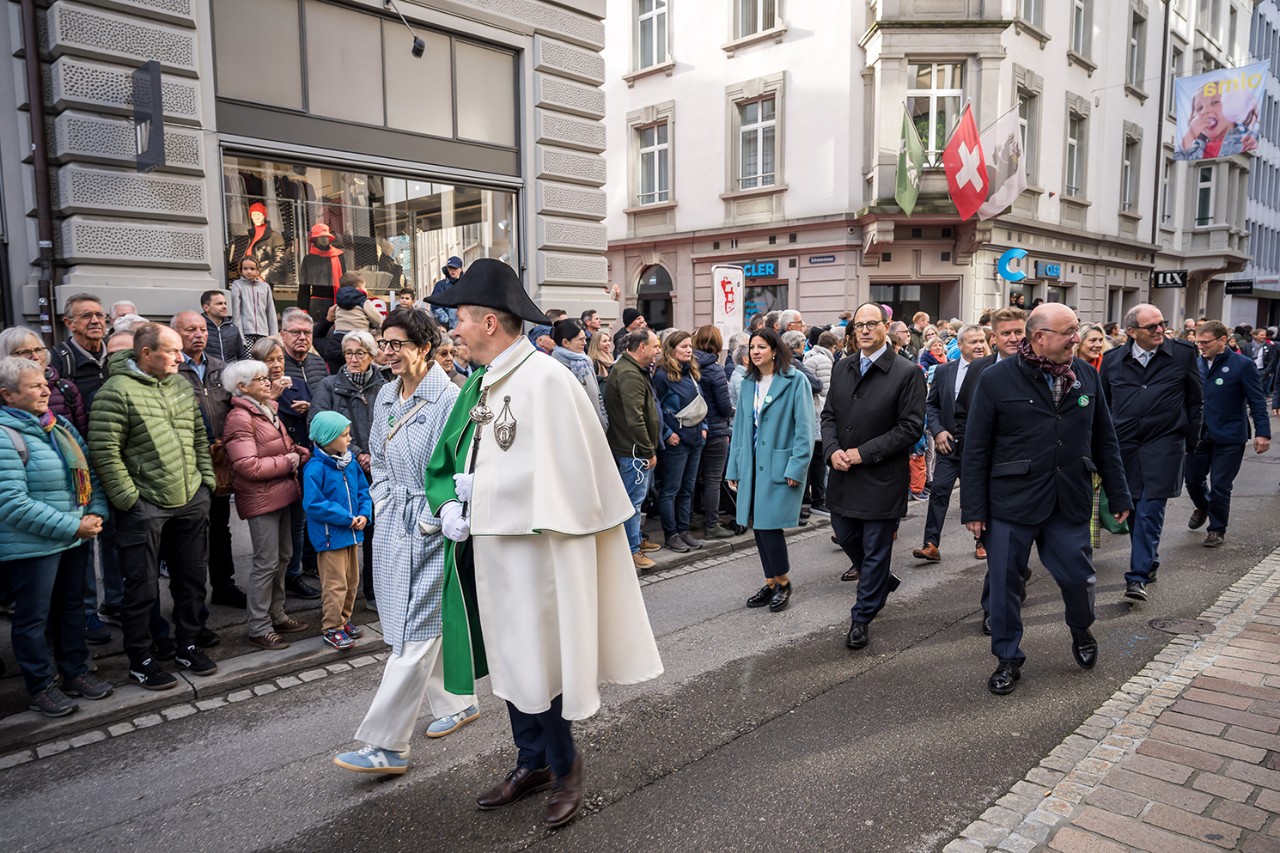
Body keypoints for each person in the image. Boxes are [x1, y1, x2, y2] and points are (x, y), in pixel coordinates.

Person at [423, 259, 662, 828]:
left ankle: (564, 766)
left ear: (489, 323)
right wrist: (452, 502)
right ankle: (530, 762)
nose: (452, 329)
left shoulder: (548, 379)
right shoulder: (482, 381)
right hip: (491, 550)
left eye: (459, 318)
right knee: (511, 658)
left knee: (542, 662)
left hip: (536, 553)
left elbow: (571, 476)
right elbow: (460, 458)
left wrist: (482, 494)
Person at [333, 307, 480, 776]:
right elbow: (375, 454)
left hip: (432, 524)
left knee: (416, 627)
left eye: (397, 344)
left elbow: (457, 469)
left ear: (423, 347)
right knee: (404, 620)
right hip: (392, 521)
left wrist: (431, 518)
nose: (387, 353)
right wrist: (380, 500)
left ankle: (386, 744)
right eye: (384, 343)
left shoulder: (450, 400)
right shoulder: (388, 396)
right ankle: (458, 702)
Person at [962, 303, 1131, 695]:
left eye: (1077, 330)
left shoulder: (1087, 374)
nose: (1078, 337)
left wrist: (1119, 491)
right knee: (1004, 585)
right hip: (1010, 503)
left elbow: (1105, 438)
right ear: (1039, 338)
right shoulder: (996, 379)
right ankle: (1007, 658)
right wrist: (974, 508)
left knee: (1078, 577)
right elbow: (976, 448)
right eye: (1069, 331)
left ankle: (1081, 628)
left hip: (1068, 498)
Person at [88, 323, 218, 690]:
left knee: (192, 580)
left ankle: (187, 645)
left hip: (190, 498)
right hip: (144, 505)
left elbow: (197, 434)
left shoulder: (179, 384)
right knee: (141, 588)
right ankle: (141, 660)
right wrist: (130, 499)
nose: (181, 358)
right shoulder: (115, 392)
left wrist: (204, 482)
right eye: (172, 351)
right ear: (146, 353)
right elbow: (104, 452)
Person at [0, 356, 113, 716]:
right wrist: (73, 526)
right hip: (34, 546)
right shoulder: (5, 435)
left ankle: (75, 671)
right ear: (8, 395)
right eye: (34, 386)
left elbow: (88, 473)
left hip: (74, 536)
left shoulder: (58, 425)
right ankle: (40, 686)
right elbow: (11, 503)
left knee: (70, 609)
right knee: (33, 618)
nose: (45, 389)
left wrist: (96, 511)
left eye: (44, 383)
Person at [823, 305, 924, 648]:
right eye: (859, 325)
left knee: (876, 549)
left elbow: (910, 428)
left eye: (871, 324)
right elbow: (829, 415)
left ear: (886, 328)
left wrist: (863, 453)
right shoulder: (842, 366)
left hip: (881, 476)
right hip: (843, 474)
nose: (865, 330)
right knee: (845, 534)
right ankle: (880, 580)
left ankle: (862, 616)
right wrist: (831, 449)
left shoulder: (907, 371)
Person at [1100, 305, 1201, 602]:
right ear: (1131, 332)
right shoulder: (1112, 361)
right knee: (1131, 510)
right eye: (1152, 327)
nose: (1160, 330)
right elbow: (1103, 408)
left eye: (1162, 324)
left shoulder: (1182, 354)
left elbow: (1196, 401)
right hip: (1125, 447)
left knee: (1149, 510)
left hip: (1165, 446)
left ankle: (1137, 577)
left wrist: (1190, 441)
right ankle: (1149, 559)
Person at [220, 358, 310, 650]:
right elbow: (247, 465)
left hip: (281, 491)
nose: (267, 381)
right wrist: (289, 460)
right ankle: (259, 626)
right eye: (259, 379)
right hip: (262, 499)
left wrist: (296, 451)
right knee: (266, 562)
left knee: (283, 556)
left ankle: (277, 613)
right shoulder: (240, 417)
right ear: (242, 387)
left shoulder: (266, 409)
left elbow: (274, 447)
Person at [725, 329, 815, 611]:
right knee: (758, 525)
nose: (755, 351)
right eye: (752, 347)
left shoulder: (794, 380)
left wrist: (797, 466)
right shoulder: (749, 382)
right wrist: (734, 469)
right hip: (751, 463)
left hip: (779, 463)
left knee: (769, 525)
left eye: (761, 347)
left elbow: (804, 428)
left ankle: (783, 581)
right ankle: (771, 581)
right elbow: (740, 428)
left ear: (774, 350)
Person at [307, 330, 385, 609]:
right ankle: (340, 608)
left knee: (378, 534)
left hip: (380, 466)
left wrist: (375, 455)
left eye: (359, 353)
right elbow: (317, 424)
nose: (352, 358)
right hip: (344, 469)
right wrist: (357, 454)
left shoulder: (385, 383)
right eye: (348, 353)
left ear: (372, 355)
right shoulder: (329, 385)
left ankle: (375, 593)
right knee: (348, 534)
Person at [171, 311, 243, 608]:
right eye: (191, 330)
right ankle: (191, 599)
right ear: (176, 334)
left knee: (220, 526)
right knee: (190, 533)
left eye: (202, 329)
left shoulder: (219, 367)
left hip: (219, 459)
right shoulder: (173, 369)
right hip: (187, 460)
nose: (199, 335)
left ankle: (224, 586)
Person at [1187, 320, 1271, 547]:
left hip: (1230, 435)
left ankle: (1216, 528)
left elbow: (1257, 401)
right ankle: (1203, 506)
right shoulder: (1194, 364)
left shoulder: (1242, 365)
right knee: (1192, 479)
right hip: (1199, 435)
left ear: (1222, 340)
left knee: (1221, 485)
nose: (1201, 346)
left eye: (1205, 342)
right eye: (1198, 342)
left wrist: (1263, 432)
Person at [913, 324, 991, 565]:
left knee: (977, 495)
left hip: (979, 448)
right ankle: (931, 544)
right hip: (949, 446)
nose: (979, 346)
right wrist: (937, 431)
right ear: (959, 346)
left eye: (982, 341)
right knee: (939, 492)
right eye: (973, 342)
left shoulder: (994, 370)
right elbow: (932, 405)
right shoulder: (945, 371)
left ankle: (982, 542)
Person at [303, 412, 372, 651]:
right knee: (335, 584)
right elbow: (313, 504)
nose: (349, 438)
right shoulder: (315, 468)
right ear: (328, 438)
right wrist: (347, 518)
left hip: (352, 533)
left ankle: (344, 619)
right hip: (331, 538)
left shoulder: (349, 462)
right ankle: (332, 627)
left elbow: (364, 490)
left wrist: (365, 514)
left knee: (352, 581)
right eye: (344, 435)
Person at [278, 307, 328, 599]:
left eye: (306, 332)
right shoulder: (275, 363)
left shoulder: (319, 365)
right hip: (289, 448)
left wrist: (314, 409)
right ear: (283, 334)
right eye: (295, 332)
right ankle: (292, 573)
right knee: (294, 518)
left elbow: (327, 400)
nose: (302, 337)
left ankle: (310, 563)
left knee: (314, 510)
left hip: (317, 447)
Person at [605, 329, 664, 571]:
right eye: (655, 346)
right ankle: (632, 550)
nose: (658, 350)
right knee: (633, 502)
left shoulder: (631, 369)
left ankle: (635, 540)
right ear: (641, 347)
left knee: (634, 500)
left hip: (633, 449)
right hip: (633, 452)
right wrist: (648, 450)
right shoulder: (629, 373)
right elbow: (635, 418)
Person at [652, 330, 707, 554]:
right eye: (684, 346)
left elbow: (700, 402)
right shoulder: (662, 376)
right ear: (671, 349)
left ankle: (684, 530)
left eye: (690, 346)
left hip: (695, 438)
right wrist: (666, 433)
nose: (689, 349)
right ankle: (671, 534)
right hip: (676, 441)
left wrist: (704, 427)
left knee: (688, 489)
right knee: (670, 490)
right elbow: (655, 409)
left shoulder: (691, 373)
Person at [691, 326, 736, 539]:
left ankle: (691, 518)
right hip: (716, 428)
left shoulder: (689, 364)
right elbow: (724, 405)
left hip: (695, 428)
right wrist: (734, 412)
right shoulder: (715, 368)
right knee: (713, 478)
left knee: (693, 477)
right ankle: (712, 524)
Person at [803, 331, 839, 512]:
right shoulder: (824, 361)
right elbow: (825, 391)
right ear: (833, 347)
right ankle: (818, 500)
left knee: (812, 460)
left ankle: (808, 498)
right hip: (818, 414)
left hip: (811, 413)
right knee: (818, 460)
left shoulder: (809, 356)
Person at [52, 293, 110, 405]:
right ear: (69, 323)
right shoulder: (58, 359)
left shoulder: (115, 352)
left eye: (99, 315)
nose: (95, 321)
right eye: (86, 316)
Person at [1176, 82, 1259, 160]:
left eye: (1215, 102)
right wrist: (1190, 135)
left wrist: (1254, 144)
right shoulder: (1195, 149)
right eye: (1199, 108)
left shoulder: (1246, 139)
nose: (1205, 111)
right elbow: (1177, 161)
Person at [549, 319, 606, 428]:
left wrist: (603, 419)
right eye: (581, 340)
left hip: (596, 423)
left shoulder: (584, 361)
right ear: (565, 342)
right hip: (573, 428)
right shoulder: (555, 367)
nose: (585, 343)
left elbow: (597, 395)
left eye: (585, 339)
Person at [229, 257, 278, 354]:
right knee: (250, 363)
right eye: (245, 268)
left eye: (252, 269)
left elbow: (270, 311)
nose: (249, 271)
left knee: (263, 362)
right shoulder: (237, 285)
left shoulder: (265, 287)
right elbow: (236, 314)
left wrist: (273, 335)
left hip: (264, 333)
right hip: (246, 334)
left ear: (258, 270)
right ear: (241, 270)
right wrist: (240, 337)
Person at [201, 290, 244, 364]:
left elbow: (241, 356)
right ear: (206, 308)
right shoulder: (199, 329)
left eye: (225, 303)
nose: (224, 306)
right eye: (219, 304)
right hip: (210, 373)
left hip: (231, 372)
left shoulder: (233, 329)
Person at [430, 256, 464, 329]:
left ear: (461, 269)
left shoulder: (467, 284)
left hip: (467, 328)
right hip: (448, 330)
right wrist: (446, 323)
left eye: (454, 268)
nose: (452, 271)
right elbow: (435, 306)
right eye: (450, 268)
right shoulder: (440, 285)